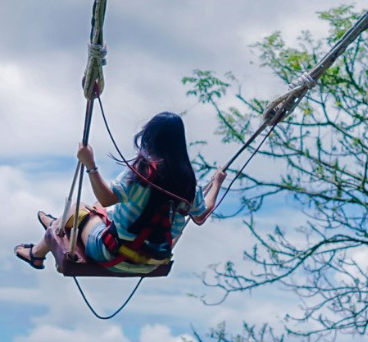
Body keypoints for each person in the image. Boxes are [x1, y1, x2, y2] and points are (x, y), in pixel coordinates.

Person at [15, 111, 226, 274]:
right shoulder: (188, 183)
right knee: (96, 210)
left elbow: (107, 198)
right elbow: (200, 216)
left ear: (150, 138)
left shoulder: (143, 171)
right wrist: (216, 183)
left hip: (112, 255)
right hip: (152, 262)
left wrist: (90, 164)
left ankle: (37, 252)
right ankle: (59, 222)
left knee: (78, 209)